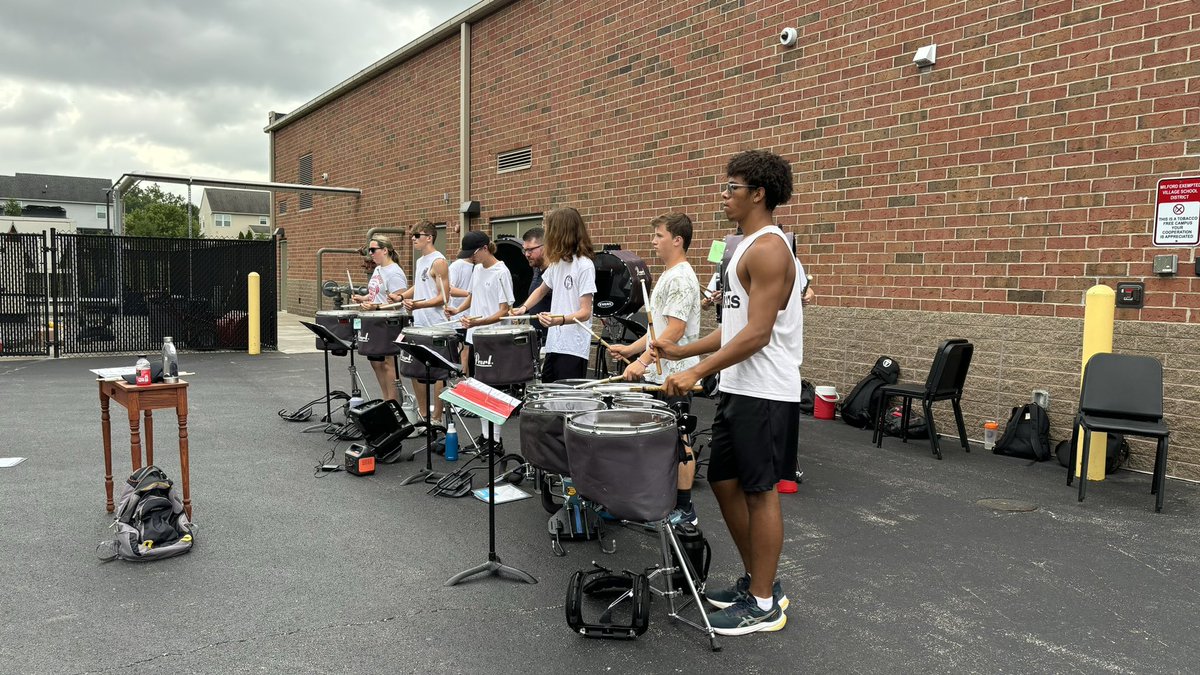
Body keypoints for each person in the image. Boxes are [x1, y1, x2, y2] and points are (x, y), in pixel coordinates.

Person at [657, 149, 803, 636]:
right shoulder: (743, 246)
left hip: (765, 390)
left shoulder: (770, 248)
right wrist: (680, 352)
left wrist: (696, 371)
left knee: (760, 493)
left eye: (731, 188)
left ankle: (763, 602)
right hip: (740, 387)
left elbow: (758, 333)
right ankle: (757, 581)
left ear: (757, 194)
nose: (723, 196)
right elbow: (732, 327)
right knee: (722, 481)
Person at [607, 213, 702, 525]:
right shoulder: (669, 275)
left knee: (679, 438)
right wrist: (631, 350)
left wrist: (643, 362)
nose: (653, 241)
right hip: (660, 373)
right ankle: (660, 504)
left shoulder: (681, 278)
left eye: (659, 235)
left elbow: (674, 331)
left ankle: (686, 510)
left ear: (677, 240)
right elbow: (656, 330)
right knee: (663, 440)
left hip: (675, 374)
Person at [511, 207, 596, 382]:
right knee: (548, 396)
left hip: (573, 347)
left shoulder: (584, 265)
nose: (548, 236)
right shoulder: (557, 264)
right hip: (554, 344)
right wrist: (523, 308)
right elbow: (542, 289)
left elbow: (585, 312)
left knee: (567, 402)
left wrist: (560, 319)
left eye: (550, 230)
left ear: (561, 233)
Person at [397, 221, 450, 423]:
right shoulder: (421, 261)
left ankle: (437, 418)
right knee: (415, 369)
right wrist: (401, 297)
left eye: (416, 235)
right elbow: (419, 286)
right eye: (412, 235)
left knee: (438, 373)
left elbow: (443, 297)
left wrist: (418, 305)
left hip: (435, 324)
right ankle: (423, 414)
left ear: (429, 237)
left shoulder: (439, 261)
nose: (413, 238)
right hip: (419, 323)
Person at [350, 235, 408, 402]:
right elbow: (376, 292)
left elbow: (398, 303)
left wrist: (376, 306)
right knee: (376, 361)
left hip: (390, 321)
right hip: (376, 319)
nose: (371, 254)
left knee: (389, 362)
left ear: (385, 250)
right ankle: (386, 399)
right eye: (369, 250)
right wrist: (364, 298)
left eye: (373, 250)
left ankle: (394, 401)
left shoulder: (395, 272)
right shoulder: (378, 269)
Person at [447, 230, 514, 376]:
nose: (471, 258)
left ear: (485, 248)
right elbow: (473, 296)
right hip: (474, 336)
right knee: (474, 379)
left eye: (473, 253)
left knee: (491, 381)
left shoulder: (501, 272)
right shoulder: (477, 269)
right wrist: (457, 310)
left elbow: (504, 310)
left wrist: (479, 323)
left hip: (493, 337)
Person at [446, 250, 475, 374]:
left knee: (470, 355)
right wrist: (471, 294)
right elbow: (449, 289)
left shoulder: (478, 267)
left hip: (474, 317)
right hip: (460, 317)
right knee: (464, 353)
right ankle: (462, 380)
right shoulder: (457, 266)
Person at [521, 227, 552, 343]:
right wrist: (523, 309)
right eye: (524, 250)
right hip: (537, 339)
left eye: (530, 250)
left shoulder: (555, 271)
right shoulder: (536, 270)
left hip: (552, 339)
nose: (527, 255)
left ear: (544, 247)